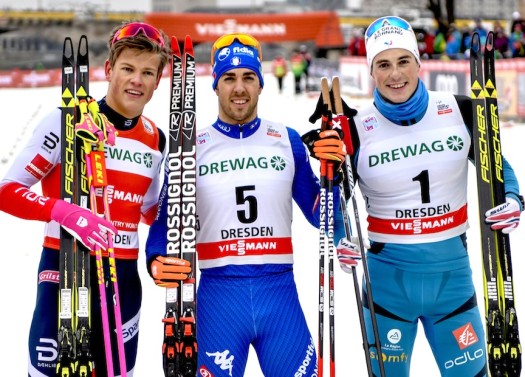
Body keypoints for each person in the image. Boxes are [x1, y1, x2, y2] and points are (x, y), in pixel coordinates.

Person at [145, 33, 360, 376]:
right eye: (228, 78)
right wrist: (156, 259)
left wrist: (334, 194)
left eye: (248, 77)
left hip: (280, 295)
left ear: (261, 84)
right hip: (218, 297)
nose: (239, 88)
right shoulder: (191, 148)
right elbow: (165, 220)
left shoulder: (286, 140)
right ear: (215, 86)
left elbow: (320, 210)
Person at [330, 16, 523, 376]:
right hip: (386, 289)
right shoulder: (355, 128)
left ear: (419, 63)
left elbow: (498, 166)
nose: (395, 74)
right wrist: (341, 237)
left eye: (404, 61)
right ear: (371, 71)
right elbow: (334, 201)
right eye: (383, 64)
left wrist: (513, 199)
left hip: (453, 284)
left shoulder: (461, 109)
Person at [0, 21, 191, 375]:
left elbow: (150, 212)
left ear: (158, 81)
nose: (137, 80)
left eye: (148, 72)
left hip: (123, 280)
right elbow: (7, 191)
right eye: (128, 69)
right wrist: (62, 211)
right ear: (108, 70)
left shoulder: (158, 141)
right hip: (63, 271)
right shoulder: (65, 122)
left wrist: (180, 215)